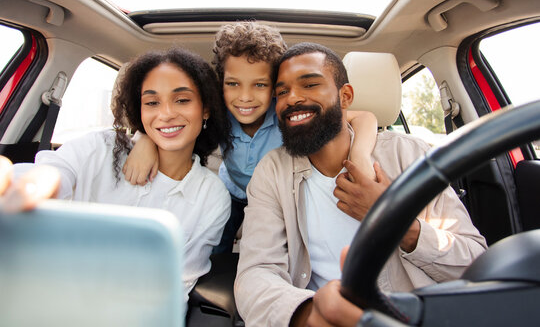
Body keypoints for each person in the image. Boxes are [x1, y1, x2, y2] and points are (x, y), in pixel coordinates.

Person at [234, 42, 487, 326]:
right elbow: (256, 274)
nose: (292, 98)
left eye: (309, 85)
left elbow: (474, 263)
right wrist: (309, 314)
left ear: (345, 96)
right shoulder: (272, 171)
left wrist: (395, 220)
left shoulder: (409, 155)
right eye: (282, 92)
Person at [123, 22, 379, 253]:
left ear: (275, 89)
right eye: (233, 84)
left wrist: (360, 155)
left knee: (279, 250)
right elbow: (176, 126)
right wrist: (145, 139)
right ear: (220, 83)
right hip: (232, 192)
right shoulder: (218, 112)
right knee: (217, 248)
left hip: (276, 196)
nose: (245, 97)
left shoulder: (288, 115)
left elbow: (364, 117)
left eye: (259, 85)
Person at [2, 47, 232, 302]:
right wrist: (30, 185)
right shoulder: (100, 147)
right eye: (152, 102)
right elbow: (54, 172)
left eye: (182, 100)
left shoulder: (212, 196)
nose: (166, 114)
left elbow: (177, 287)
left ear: (206, 109)